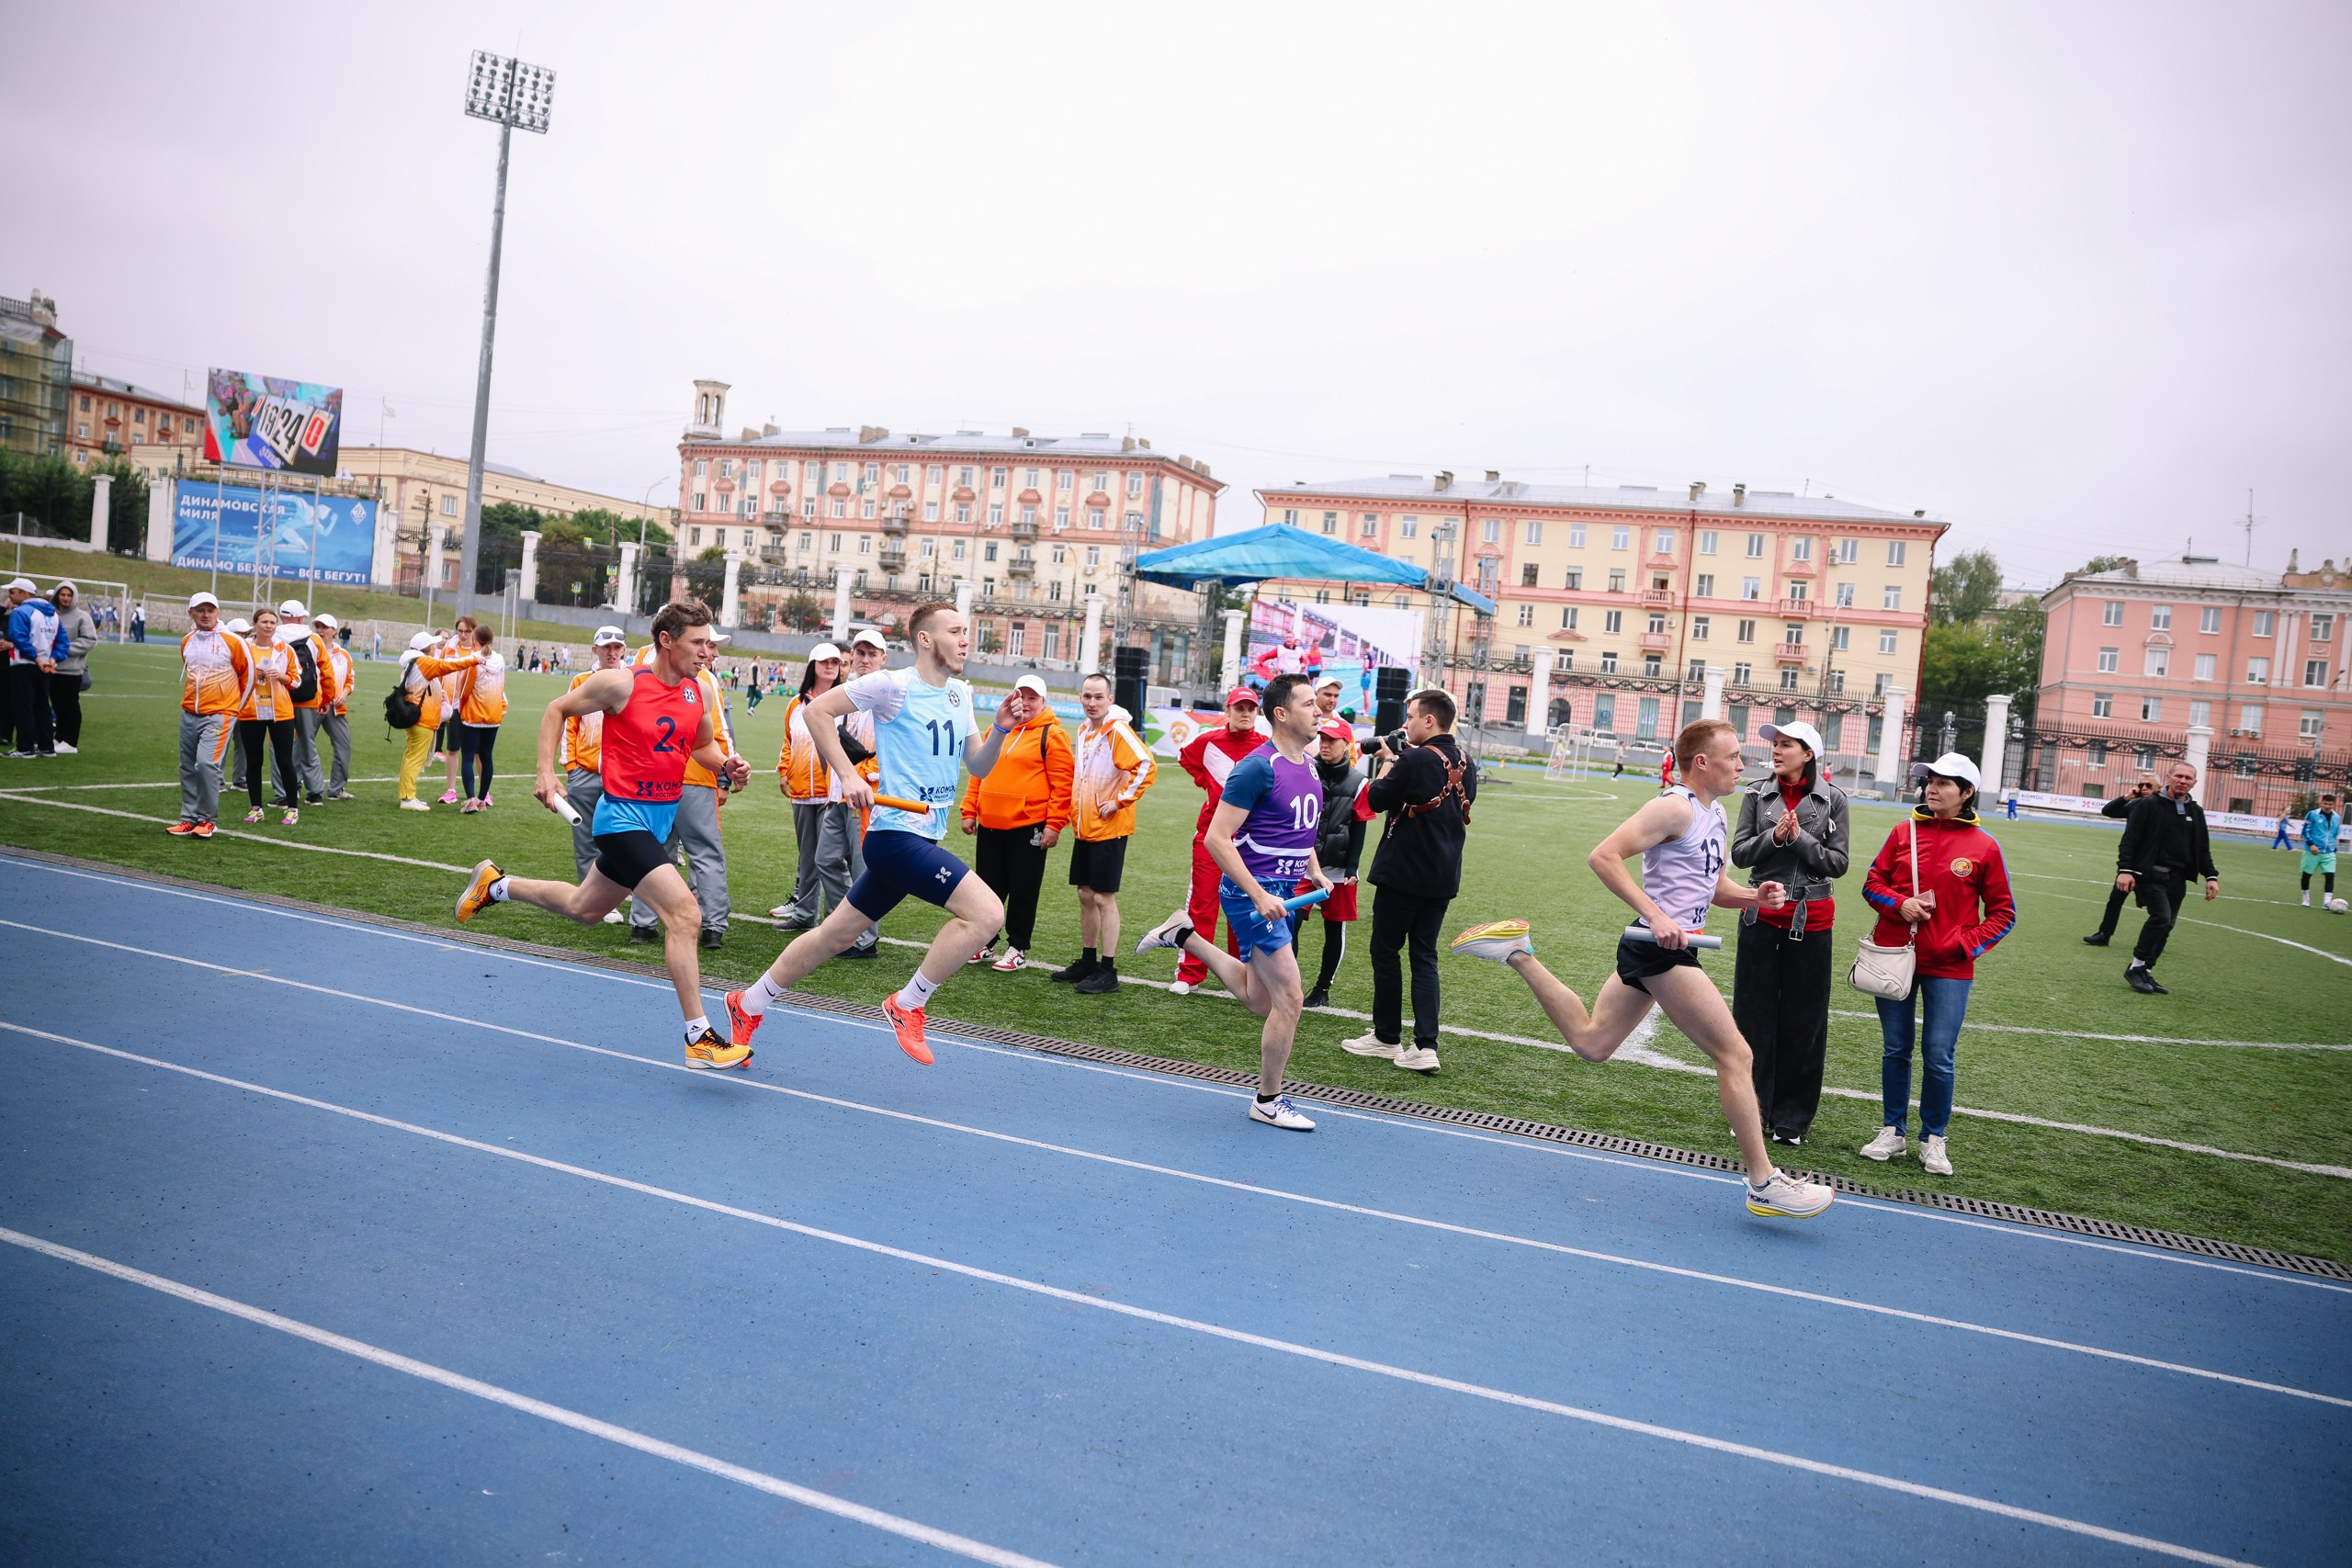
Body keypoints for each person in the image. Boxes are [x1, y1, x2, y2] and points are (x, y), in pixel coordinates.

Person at [1448, 717, 1835, 1220]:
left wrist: (1750, 897)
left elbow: (1710, 889)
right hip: (1658, 946)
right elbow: (1604, 856)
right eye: (1734, 756)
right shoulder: (1672, 806)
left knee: (1592, 1043)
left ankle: (1517, 951)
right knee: (1737, 1055)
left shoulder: (1712, 814)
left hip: (1665, 943)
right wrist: (1656, 915)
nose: (1744, 764)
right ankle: (1763, 1183)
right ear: (1702, 762)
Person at [724, 603, 1025, 1067]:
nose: (967, 639)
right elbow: (818, 712)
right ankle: (908, 1003)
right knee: (987, 915)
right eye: (956, 631)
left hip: (924, 838)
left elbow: (979, 765)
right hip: (894, 838)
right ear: (925, 639)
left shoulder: (961, 694)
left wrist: (1002, 729)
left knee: (834, 936)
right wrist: (848, 775)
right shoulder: (892, 684)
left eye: (967, 631)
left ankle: (749, 1003)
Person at [457, 599, 752, 1070]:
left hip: (656, 823)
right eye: (698, 643)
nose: (707, 652)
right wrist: (545, 773)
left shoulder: (697, 692)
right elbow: (557, 709)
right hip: (621, 821)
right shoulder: (623, 682)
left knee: (585, 909)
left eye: (709, 644)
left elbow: (700, 746)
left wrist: (728, 765)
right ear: (666, 641)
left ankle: (496, 885)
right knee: (685, 914)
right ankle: (699, 1036)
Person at [1132, 674, 1332, 1129]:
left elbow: (1296, 830)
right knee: (1291, 999)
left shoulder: (1308, 763)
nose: (1318, 710)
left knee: (1261, 1000)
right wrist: (1259, 894)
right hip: (1252, 892)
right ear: (1281, 714)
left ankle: (1184, 935)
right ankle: (1267, 1099)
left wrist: (1313, 869)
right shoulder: (1256, 768)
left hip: (1281, 891)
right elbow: (1218, 840)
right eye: (1308, 704)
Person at [1857, 753, 2018, 1176]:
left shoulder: (1984, 847)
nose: (1933, 787)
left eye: (1946, 783)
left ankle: (1933, 1138)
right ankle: (1893, 1130)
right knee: (1896, 1048)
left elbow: (2004, 913)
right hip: (1895, 959)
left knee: (1939, 1054)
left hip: (1950, 967)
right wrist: (1900, 904)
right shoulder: (1902, 831)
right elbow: (1872, 884)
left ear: (1966, 794)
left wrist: (1964, 945)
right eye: (1930, 780)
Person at [1728, 719, 1851, 1146]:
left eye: (1786, 745)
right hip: (1759, 918)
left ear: (1808, 754)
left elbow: (1837, 864)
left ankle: (1792, 1120)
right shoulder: (1756, 794)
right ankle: (1752, 1109)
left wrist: (1798, 840)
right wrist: (1773, 837)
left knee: (1805, 1021)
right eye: (1775, 744)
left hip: (1812, 922)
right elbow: (1741, 855)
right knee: (1751, 1017)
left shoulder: (1833, 800)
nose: (1776, 751)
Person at [1343, 687, 1476, 1073]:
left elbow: (1376, 799)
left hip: (1402, 873)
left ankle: (1386, 1037)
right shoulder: (1468, 761)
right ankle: (1425, 1045)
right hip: (1443, 875)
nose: (1405, 724)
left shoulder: (1414, 759)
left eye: (1411, 717)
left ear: (1429, 721)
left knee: (1385, 952)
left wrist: (1388, 760)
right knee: (1424, 956)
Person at [628, 626, 738, 950]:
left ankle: (643, 923)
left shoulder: (637, 669)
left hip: (649, 779)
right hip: (693, 777)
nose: (712, 652)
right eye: (706, 644)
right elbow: (718, 732)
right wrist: (725, 775)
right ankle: (713, 925)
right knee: (705, 853)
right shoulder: (702, 680)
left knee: (650, 851)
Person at [960, 673, 1074, 972]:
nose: (1025, 702)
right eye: (1020, 696)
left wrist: (1054, 824)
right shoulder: (997, 730)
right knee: (987, 887)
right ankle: (985, 941)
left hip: (1029, 826)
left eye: (1032, 698)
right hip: (990, 823)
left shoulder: (1053, 735)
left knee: (1023, 889)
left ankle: (1017, 947)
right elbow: (978, 773)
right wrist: (969, 809)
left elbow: (1063, 785)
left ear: (1043, 702)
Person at [1053, 674, 1156, 994]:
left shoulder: (1117, 730)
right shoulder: (1085, 730)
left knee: (1102, 897)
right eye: (1087, 696)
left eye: (1098, 697)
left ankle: (1108, 971)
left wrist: (1119, 801)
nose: (1092, 703)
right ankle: (1088, 960)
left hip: (1109, 827)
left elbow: (1146, 766)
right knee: (1085, 893)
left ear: (1110, 699)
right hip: (1085, 827)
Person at [1170, 688, 1270, 995]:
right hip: (1210, 836)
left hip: (1249, 842)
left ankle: (1242, 973)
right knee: (1202, 903)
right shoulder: (1208, 741)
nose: (1245, 714)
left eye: (1251, 709)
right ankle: (1190, 974)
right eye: (1239, 708)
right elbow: (1186, 757)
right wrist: (1206, 781)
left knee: (1244, 906)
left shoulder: (1266, 747)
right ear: (1227, 711)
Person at [2115, 761, 2220, 994]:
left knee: (2167, 924)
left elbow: (2202, 848)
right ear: (2169, 777)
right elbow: (2130, 841)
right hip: (2151, 874)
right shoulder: (2148, 805)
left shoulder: (2196, 811)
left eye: (2188, 778)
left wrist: (2211, 876)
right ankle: (2136, 967)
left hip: (2178, 878)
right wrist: (2125, 870)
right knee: (2161, 918)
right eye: (2179, 776)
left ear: (2194, 783)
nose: (2183, 781)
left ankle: (2145, 971)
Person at [772, 643, 850, 930]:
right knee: (807, 858)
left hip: (833, 793)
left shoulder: (847, 702)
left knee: (831, 860)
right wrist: (784, 771)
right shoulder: (796, 704)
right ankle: (805, 914)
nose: (830, 667)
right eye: (824, 662)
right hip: (802, 792)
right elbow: (789, 740)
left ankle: (838, 920)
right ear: (812, 665)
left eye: (835, 662)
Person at [562, 626, 633, 922]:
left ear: (624, 651)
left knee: (623, 837)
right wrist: (571, 768)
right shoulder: (581, 681)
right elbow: (568, 723)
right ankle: (595, 900)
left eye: (617, 647)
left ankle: (617, 888)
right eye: (606, 648)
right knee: (585, 840)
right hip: (586, 773)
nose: (612, 652)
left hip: (623, 776)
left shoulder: (632, 681)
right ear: (595, 650)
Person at [1296, 717, 1366, 1010]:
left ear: (1346, 745)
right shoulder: (1305, 769)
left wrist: (1352, 868)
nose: (1325, 744)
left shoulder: (1359, 781)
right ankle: (1285, 983)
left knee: (1334, 929)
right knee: (1290, 922)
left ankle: (1322, 988)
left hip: (1338, 870)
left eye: (1332, 740)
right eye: (1323, 738)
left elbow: (1361, 825)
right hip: (1302, 863)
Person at [170, 592, 251, 838]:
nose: (206, 615)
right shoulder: (187, 641)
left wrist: (234, 709)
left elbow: (247, 677)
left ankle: (207, 819)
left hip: (220, 714)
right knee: (187, 767)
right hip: (189, 713)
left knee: (206, 764)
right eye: (200, 610)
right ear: (191, 613)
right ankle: (189, 818)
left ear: (218, 613)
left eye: (210, 610)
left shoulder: (233, 642)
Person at [394, 632, 481, 810]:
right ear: (426, 649)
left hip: (415, 716)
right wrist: (474, 659)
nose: (436, 648)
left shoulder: (412, 662)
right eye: (433, 645)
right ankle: (408, 798)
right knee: (415, 759)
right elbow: (448, 665)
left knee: (410, 757)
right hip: (422, 718)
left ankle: (408, 794)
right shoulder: (424, 662)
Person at [233, 608, 304, 825]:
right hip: (251, 711)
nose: (269, 626)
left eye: (273, 622)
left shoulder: (286, 650)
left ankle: (292, 809)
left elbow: (297, 681)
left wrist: (280, 676)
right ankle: (256, 808)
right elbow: (235, 676)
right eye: (264, 621)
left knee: (285, 761)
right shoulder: (244, 648)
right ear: (255, 624)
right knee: (254, 761)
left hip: (280, 712)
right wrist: (253, 675)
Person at [2082, 778, 2158, 945]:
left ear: (2158, 788)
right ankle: (2104, 934)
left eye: (2148, 786)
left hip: (2153, 864)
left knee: (2157, 906)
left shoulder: (2163, 809)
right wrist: (2127, 796)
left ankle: (2157, 938)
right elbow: (2108, 811)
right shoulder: (2135, 805)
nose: (2144, 788)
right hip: (2130, 863)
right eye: (2141, 785)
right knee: (2116, 899)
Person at [277, 600, 330, 804]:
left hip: (280, 698)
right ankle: (315, 792)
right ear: (300, 617)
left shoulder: (274, 636)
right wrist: (326, 698)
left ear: (282, 616)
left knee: (279, 748)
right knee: (308, 744)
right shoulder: (313, 639)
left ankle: (283, 793)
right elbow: (326, 672)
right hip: (307, 698)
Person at [6, 576, 62, 758]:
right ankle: (46, 746)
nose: (9, 595)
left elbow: (18, 637)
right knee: (42, 706)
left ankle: (25, 748)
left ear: (24, 593)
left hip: (25, 664)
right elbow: (62, 642)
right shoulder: (53, 613)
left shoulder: (21, 612)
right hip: (45, 666)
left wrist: (35, 658)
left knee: (24, 706)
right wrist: (53, 659)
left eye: (12, 592)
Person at [453, 625, 508, 813]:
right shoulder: (500, 662)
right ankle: (483, 799)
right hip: (493, 717)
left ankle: (471, 800)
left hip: (473, 716)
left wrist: (461, 711)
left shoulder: (473, 662)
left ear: (475, 641)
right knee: (487, 757)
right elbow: (502, 688)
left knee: (468, 757)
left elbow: (464, 691)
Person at [49, 582, 98, 755]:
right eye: (62, 594)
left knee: (69, 705)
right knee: (57, 705)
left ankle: (70, 741)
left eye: (69, 595)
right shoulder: (51, 614)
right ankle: (60, 737)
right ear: (57, 595)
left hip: (72, 670)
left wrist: (64, 649)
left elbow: (90, 640)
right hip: (52, 669)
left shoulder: (82, 617)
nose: (65, 598)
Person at [313, 614, 356, 799]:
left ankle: (336, 789)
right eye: (318, 626)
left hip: (336, 707)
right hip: (313, 706)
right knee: (302, 746)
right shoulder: (309, 651)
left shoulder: (343, 654)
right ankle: (295, 786)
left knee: (343, 746)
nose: (320, 630)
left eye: (324, 627)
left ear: (334, 631)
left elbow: (350, 680)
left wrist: (344, 694)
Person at [436, 615, 478, 802]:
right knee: (453, 749)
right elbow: (439, 671)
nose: (463, 635)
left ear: (474, 632)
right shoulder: (449, 649)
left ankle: (483, 792)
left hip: (474, 708)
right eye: (460, 631)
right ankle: (451, 790)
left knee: (478, 751)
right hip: (452, 706)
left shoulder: (480, 651)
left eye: (467, 631)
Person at [2302, 793, 2343, 908]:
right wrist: (2311, 845)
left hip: (2329, 852)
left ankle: (2327, 902)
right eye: (2325, 803)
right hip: (2312, 851)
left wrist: (2333, 847)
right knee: (2307, 875)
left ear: (2334, 804)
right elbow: (2305, 831)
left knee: (2330, 876)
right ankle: (2306, 899)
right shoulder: (2313, 814)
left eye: (2330, 804)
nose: (2327, 806)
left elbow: (2334, 834)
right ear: (2321, 803)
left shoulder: (2337, 817)